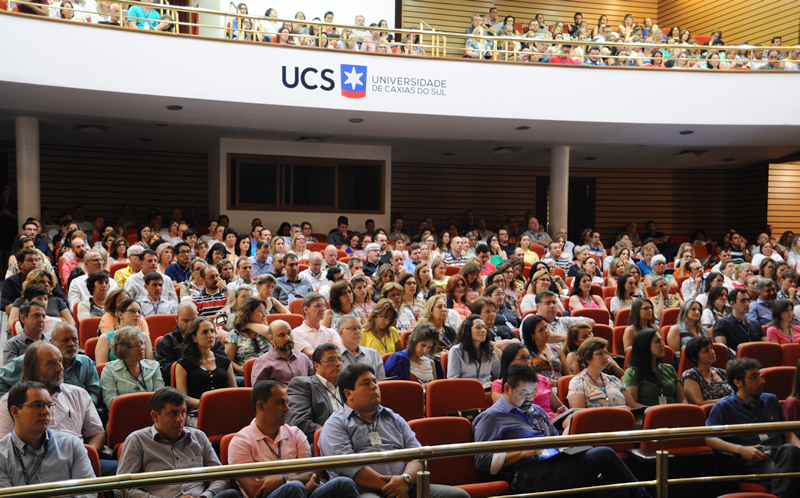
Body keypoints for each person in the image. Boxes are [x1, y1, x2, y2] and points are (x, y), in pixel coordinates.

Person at [473, 363, 648, 496]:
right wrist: (523, 452)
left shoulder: (537, 411)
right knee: (604, 455)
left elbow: (555, 439)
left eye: (533, 393)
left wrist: (566, 446)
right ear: (507, 389)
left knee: (605, 482)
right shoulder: (492, 417)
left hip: (553, 463)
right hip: (526, 474)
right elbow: (482, 461)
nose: (530, 399)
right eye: (525, 393)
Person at [318, 363, 470, 498]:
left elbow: (418, 454)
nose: (374, 386)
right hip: (363, 491)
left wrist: (405, 480)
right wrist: (392, 486)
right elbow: (349, 467)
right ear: (348, 393)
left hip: (406, 486)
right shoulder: (336, 424)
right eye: (366, 383)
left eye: (375, 381)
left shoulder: (394, 417)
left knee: (459, 495)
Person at [229, 379, 359, 498]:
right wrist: (300, 484)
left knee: (344, 483)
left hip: (302, 492)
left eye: (287, 402)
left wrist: (283, 479)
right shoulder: (241, 442)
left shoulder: (295, 433)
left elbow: (312, 474)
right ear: (261, 406)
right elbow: (256, 492)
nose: (287, 409)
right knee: (293, 488)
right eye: (281, 403)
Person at [0, 342, 111, 474]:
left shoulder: (78, 394)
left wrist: (81, 455)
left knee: (124, 475)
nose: (60, 368)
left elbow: (97, 433)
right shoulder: (12, 400)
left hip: (78, 461)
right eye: (51, 363)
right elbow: (4, 446)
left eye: (60, 361)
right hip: (31, 466)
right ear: (33, 368)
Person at [117, 387, 240, 497]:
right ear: (155, 416)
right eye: (173, 414)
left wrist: (204, 496)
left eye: (183, 412)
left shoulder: (199, 437)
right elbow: (122, 489)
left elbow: (221, 478)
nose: (180, 420)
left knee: (232, 495)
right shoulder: (137, 440)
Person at [705, 358, 800, 497]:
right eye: (754, 377)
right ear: (738, 382)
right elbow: (709, 439)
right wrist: (741, 449)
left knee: (790, 451)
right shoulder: (723, 407)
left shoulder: (771, 400)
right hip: (754, 460)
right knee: (791, 472)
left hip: (782, 455)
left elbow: (788, 434)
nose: (762, 381)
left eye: (760, 375)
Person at [0, 381, 96, 494]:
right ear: (15, 411)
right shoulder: (2, 454)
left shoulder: (71, 445)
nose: (46, 411)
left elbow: (87, 493)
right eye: (37, 405)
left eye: (49, 405)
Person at [175, 317, 237, 422]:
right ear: (194, 338)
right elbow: (183, 397)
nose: (210, 335)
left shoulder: (224, 361)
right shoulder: (183, 364)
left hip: (224, 410)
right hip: (197, 413)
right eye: (205, 332)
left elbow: (234, 392)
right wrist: (206, 404)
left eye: (212, 331)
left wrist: (221, 405)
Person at [286, 344, 345, 446]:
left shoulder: (347, 386)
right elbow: (299, 422)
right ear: (316, 365)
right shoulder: (303, 384)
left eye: (340, 359)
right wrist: (335, 434)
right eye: (331, 359)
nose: (338, 364)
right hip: (323, 444)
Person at [490, 343, 564, 420]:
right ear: (509, 361)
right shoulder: (499, 385)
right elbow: (508, 412)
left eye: (528, 358)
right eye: (522, 358)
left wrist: (569, 415)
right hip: (524, 424)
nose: (527, 362)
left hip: (551, 422)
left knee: (573, 418)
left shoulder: (541, 380)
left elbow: (560, 407)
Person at [100, 325, 164, 409]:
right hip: (123, 416)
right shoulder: (109, 370)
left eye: (142, 343)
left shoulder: (154, 366)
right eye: (136, 345)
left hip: (152, 415)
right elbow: (110, 402)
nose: (142, 348)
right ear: (122, 349)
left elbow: (161, 397)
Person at [568, 337, 638, 410]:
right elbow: (579, 413)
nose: (605, 357)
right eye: (600, 353)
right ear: (587, 358)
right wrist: (616, 409)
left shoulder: (613, 379)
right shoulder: (577, 382)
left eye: (606, 353)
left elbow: (632, 407)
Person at [623, 328, 687, 405]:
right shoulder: (632, 372)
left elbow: (682, 399)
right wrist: (657, 412)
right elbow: (633, 404)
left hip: (675, 412)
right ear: (645, 345)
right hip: (651, 414)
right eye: (657, 341)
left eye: (662, 341)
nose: (663, 344)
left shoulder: (669, 368)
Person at [251, 320, 314, 387]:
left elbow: (314, 384)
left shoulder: (303, 358)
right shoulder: (263, 362)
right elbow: (258, 393)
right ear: (272, 339)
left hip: (305, 396)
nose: (288, 338)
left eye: (289, 333)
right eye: (282, 335)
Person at [446, 314, 500, 388]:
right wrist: (479, 387)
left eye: (484, 328)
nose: (483, 330)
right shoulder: (456, 351)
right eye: (478, 327)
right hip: (467, 391)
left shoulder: (489, 350)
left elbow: (499, 374)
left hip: (488, 390)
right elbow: (453, 381)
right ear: (468, 330)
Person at [680, 336, 733, 406]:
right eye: (706, 351)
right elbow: (699, 403)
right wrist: (727, 400)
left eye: (711, 348)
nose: (712, 352)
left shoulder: (722, 372)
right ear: (694, 358)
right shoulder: (690, 375)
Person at [713, 288, 767, 353]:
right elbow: (723, 349)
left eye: (748, 300)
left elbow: (767, 346)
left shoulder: (755, 323)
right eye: (743, 301)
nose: (747, 304)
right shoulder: (722, 323)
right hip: (737, 361)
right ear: (732, 304)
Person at [522, 314, 569, 386]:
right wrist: (554, 383)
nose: (546, 331)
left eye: (546, 327)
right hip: (540, 389)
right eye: (541, 330)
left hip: (560, 388)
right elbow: (530, 378)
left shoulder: (557, 349)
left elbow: (567, 374)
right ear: (532, 335)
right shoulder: (527, 353)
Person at [3, 301, 48, 366]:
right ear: (23, 319)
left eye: (43, 316)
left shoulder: (52, 340)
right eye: (36, 315)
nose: (41, 320)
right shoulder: (12, 345)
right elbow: (11, 372)